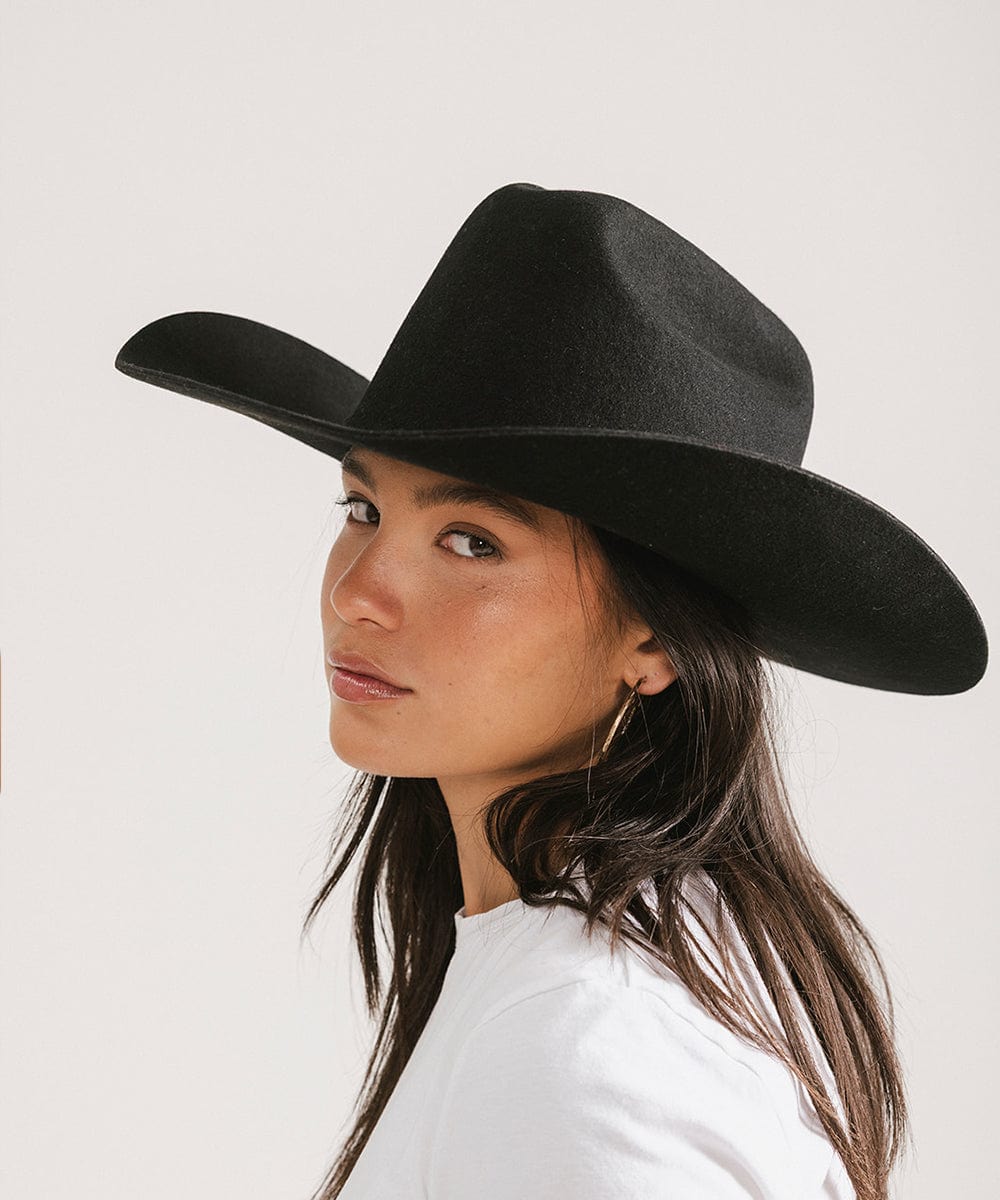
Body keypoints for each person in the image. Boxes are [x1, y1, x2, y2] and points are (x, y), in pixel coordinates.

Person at [114, 181, 988, 1200]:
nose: (358, 593)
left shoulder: (587, 1059)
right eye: (360, 507)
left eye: (471, 541)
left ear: (653, 639)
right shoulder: (591, 970)